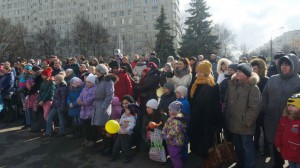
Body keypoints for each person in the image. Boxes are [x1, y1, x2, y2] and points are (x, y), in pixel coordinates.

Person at [262, 53, 300, 168]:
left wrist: (295, 114)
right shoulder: (273, 79)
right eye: (282, 64)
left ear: (294, 65)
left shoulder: (298, 81)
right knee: (274, 142)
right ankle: (278, 163)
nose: (284, 66)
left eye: (287, 64)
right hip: (272, 119)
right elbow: (264, 95)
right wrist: (266, 108)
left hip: (291, 120)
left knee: (292, 144)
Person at [225, 63, 261, 168]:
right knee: (238, 146)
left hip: (244, 125)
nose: (237, 73)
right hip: (234, 122)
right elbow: (227, 101)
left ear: (247, 74)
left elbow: (254, 108)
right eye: (237, 71)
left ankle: (249, 165)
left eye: (240, 71)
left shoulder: (253, 87)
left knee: (247, 146)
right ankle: (241, 163)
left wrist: (247, 122)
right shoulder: (233, 84)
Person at [189, 60, 221, 158]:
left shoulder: (213, 85)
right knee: (196, 134)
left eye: (200, 71)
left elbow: (215, 104)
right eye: (197, 71)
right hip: (195, 115)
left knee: (206, 137)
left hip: (207, 117)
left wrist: (215, 120)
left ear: (206, 72)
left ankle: (206, 153)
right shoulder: (195, 83)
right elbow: (190, 97)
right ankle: (196, 150)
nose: (198, 73)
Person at [91, 64, 117, 154]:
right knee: (100, 128)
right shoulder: (98, 80)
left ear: (101, 71)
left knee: (106, 128)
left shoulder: (108, 81)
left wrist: (103, 107)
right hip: (97, 106)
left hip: (103, 107)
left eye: (97, 71)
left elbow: (110, 96)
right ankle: (104, 144)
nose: (95, 72)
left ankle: (109, 147)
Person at [275, 93, 300, 168]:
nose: (290, 107)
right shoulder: (285, 118)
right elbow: (279, 132)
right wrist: (278, 144)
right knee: (291, 165)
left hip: (298, 153)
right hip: (289, 151)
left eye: (293, 105)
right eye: (289, 105)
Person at [250, 58, 270, 155]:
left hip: (264, 111)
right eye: (252, 68)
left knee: (266, 131)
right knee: (256, 131)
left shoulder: (266, 80)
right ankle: (255, 148)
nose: (253, 70)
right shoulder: (251, 80)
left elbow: (268, 95)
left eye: (255, 69)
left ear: (261, 69)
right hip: (254, 110)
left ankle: (266, 150)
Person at [162, 101, 186, 168]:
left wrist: (167, 136)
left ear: (175, 111)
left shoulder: (177, 121)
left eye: (171, 110)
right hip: (171, 142)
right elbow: (165, 126)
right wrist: (163, 132)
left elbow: (175, 131)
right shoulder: (170, 118)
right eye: (169, 109)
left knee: (175, 157)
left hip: (175, 142)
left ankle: (178, 166)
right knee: (173, 156)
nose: (169, 111)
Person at [77, 74, 96, 147]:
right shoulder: (84, 88)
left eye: (89, 82)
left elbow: (92, 98)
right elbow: (80, 96)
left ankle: (92, 140)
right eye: (87, 82)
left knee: (91, 127)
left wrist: (83, 102)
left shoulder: (95, 89)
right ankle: (87, 139)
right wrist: (78, 100)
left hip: (91, 111)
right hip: (84, 110)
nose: (87, 83)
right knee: (85, 126)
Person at [175, 86, 190, 161]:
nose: (176, 94)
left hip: (182, 124)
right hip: (177, 123)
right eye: (176, 92)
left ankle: (184, 156)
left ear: (182, 93)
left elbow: (183, 115)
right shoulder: (178, 100)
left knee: (183, 140)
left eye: (178, 93)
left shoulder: (185, 103)